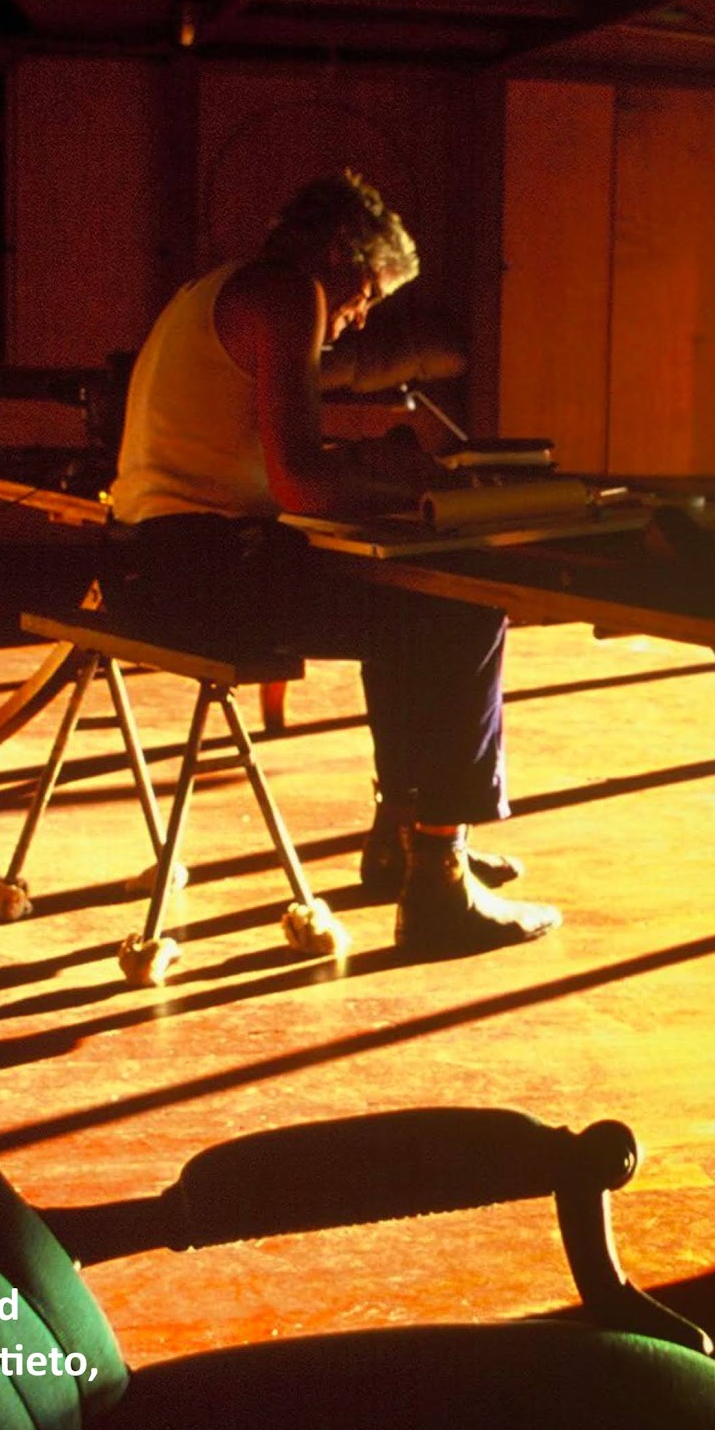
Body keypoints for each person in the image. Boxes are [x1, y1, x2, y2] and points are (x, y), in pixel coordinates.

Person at [104, 170, 558, 957]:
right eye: (369, 293)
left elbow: (266, 456)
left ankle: (406, 838)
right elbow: (301, 484)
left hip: (156, 567)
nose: (361, 317)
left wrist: (363, 463)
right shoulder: (290, 293)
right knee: (466, 601)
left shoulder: (214, 288)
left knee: (396, 597)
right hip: (201, 572)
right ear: (344, 255)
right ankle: (440, 882)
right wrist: (412, 485)